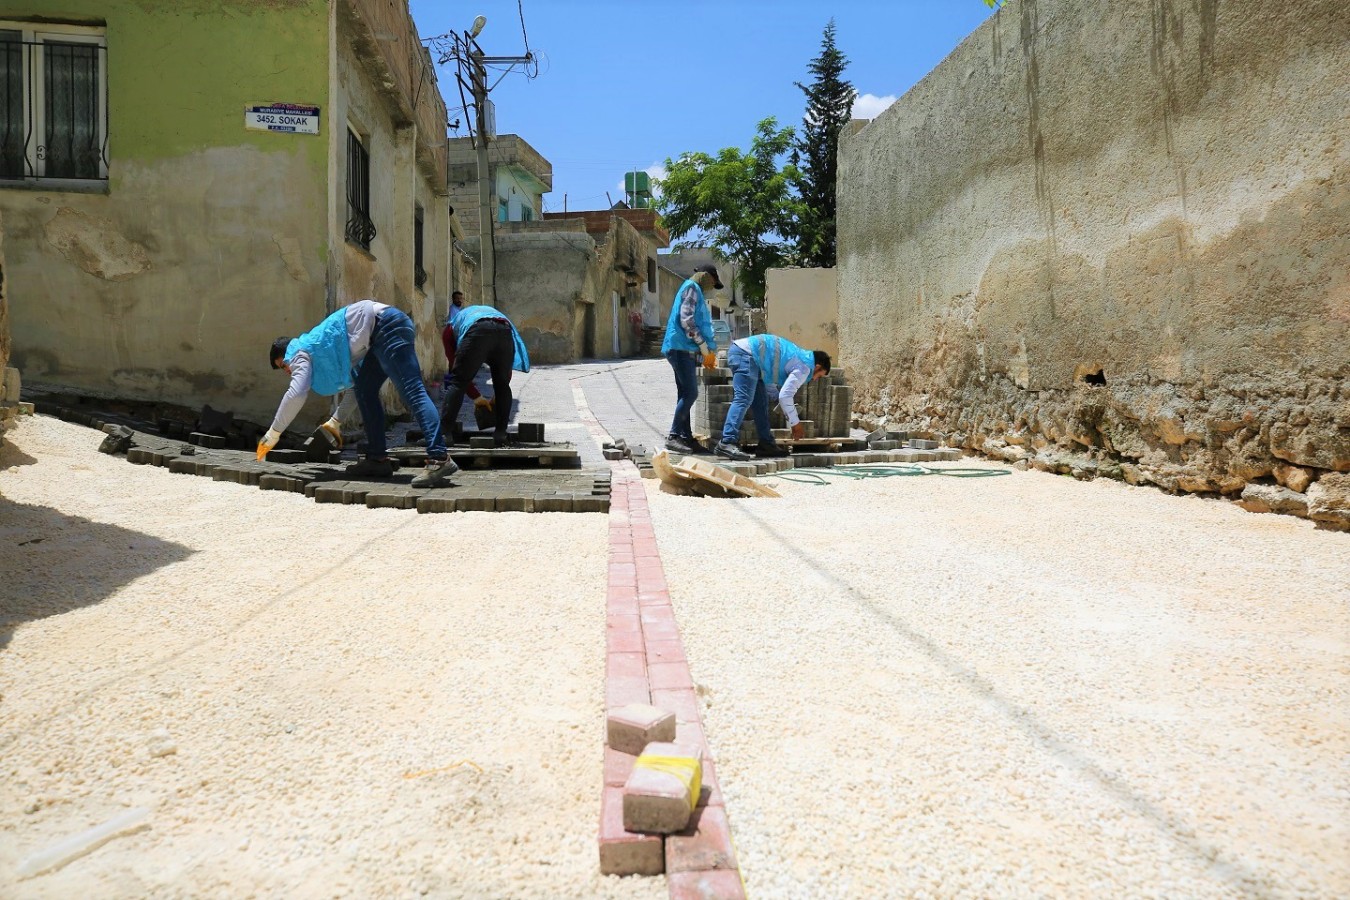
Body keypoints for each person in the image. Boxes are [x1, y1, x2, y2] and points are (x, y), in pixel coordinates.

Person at [260, 299, 459, 488]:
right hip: (380, 332)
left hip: (387, 327)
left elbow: (297, 393)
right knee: (364, 389)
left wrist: (273, 433)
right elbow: (355, 389)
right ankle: (377, 459)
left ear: (286, 355)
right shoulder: (320, 349)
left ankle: (439, 458)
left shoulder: (298, 352)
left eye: (283, 365)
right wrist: (335, 422)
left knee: (413, 391)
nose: (288, 371)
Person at [715, 333, 831, 461]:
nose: (815, 380)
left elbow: (770, 375)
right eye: (819, 376)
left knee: (761, 402)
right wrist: (795, 423)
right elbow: (786, 395)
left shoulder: (796, 356)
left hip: (751, 357)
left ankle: (766, 444)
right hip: (746, 354)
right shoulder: (805, 367)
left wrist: (776, 397)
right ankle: (726, 442)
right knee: (743, 398)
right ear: (818, 367)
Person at [440, 303, 530, 446]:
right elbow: (506, 374)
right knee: (502, 386)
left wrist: (475, 396)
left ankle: (444, 435)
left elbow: (455, 370)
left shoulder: (449, 330)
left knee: (458, 383)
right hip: (505, 331)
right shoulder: (490, 316)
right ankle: (501, 433)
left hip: (478, 331)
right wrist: (493, 397)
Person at [661, 263, 722, 454]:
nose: (712, 287)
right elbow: (686, 320)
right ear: (706, 276)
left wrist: (706, 350)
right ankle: (674, 436)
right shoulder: (691, 288)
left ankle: (686, 438)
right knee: (691, 394)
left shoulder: (696, 292)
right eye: (713, 282)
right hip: (680, 348)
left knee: (684, 394)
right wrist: (704, 347)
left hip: (683, 349)